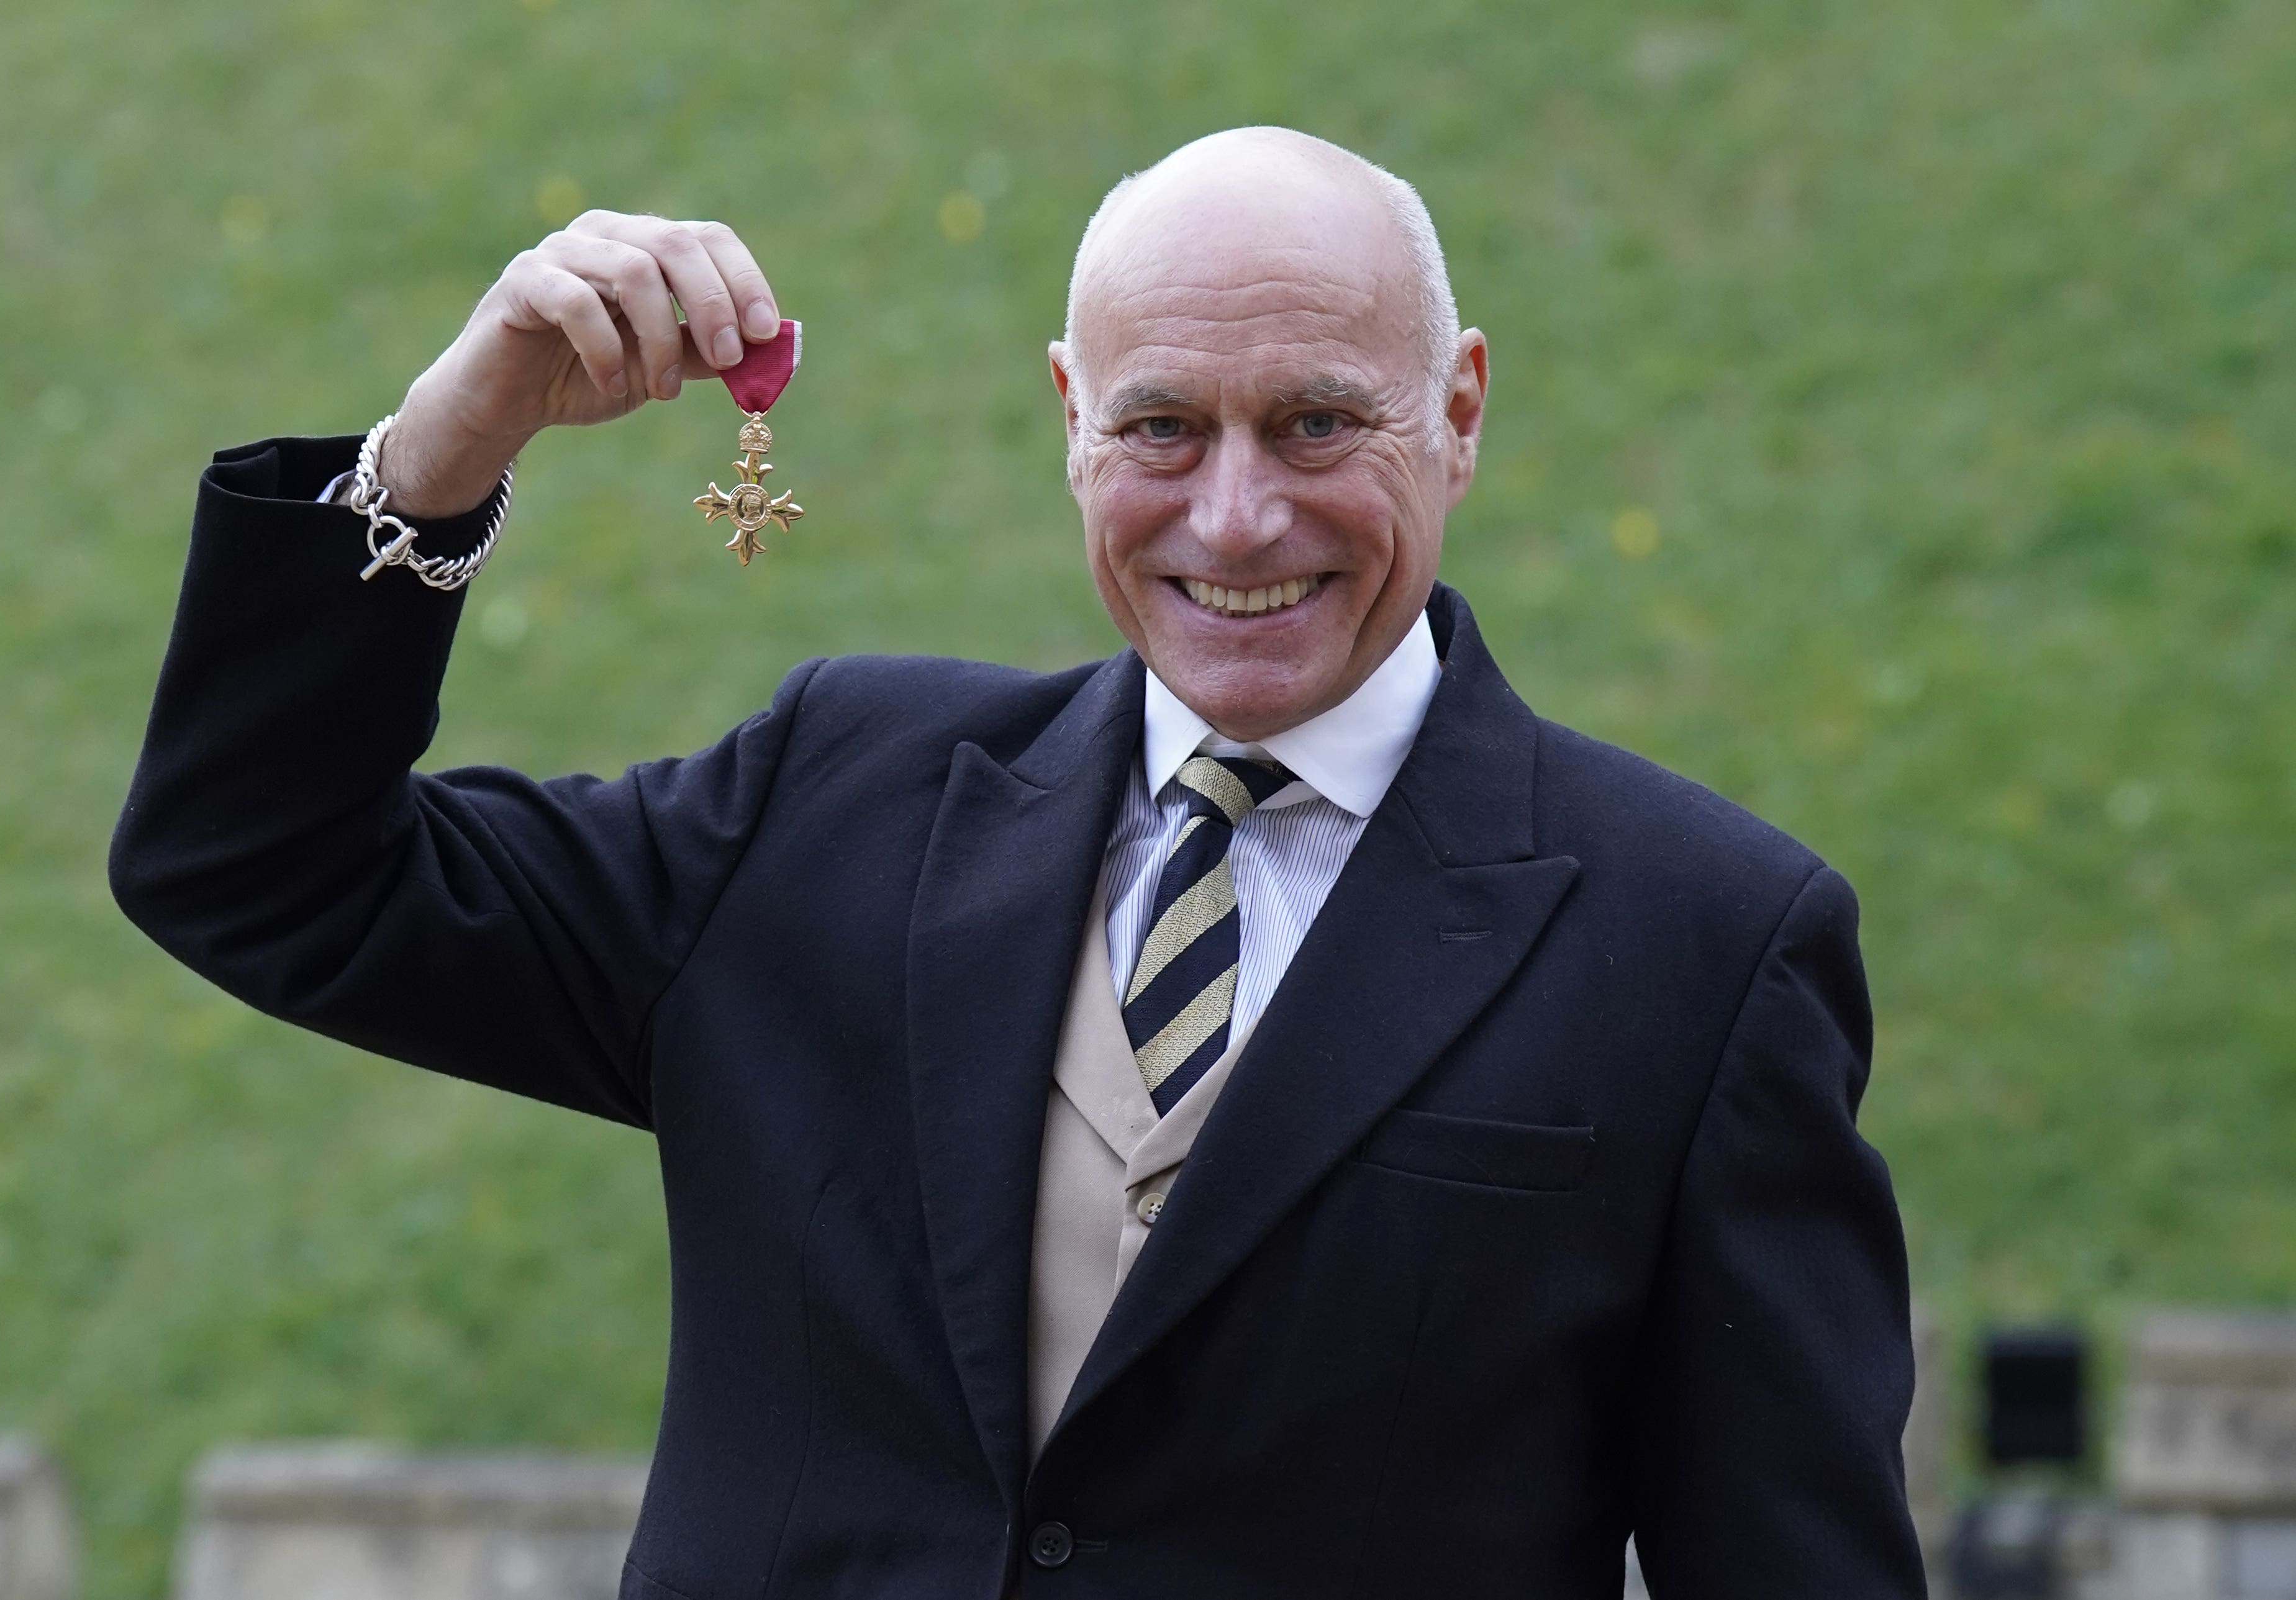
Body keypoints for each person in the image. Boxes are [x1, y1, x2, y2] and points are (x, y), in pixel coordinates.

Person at [112, 127, 1926, 1598]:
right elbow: (257, 864)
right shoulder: (830, 798)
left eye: (1314, 422)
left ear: (1454, 410)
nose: (1232, 517)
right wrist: (445, 450)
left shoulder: (1701, 944)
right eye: (1158, 427)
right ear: (1068, 412)